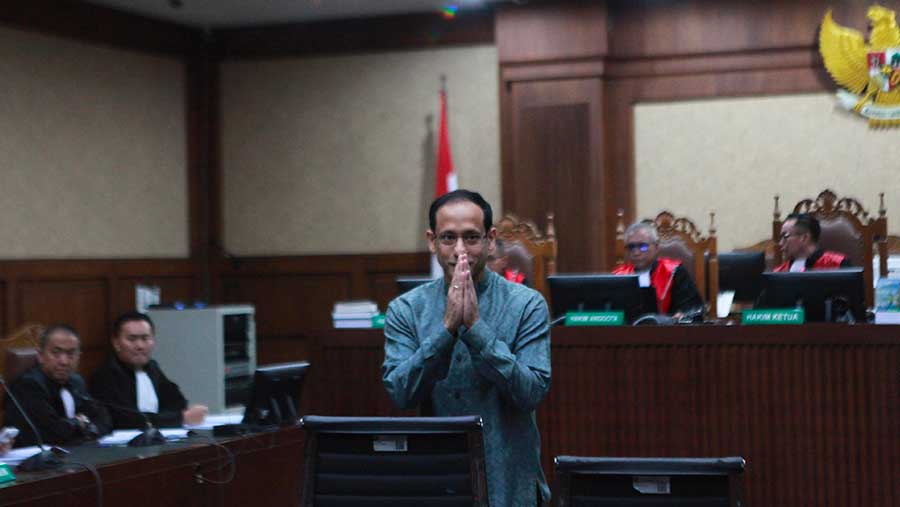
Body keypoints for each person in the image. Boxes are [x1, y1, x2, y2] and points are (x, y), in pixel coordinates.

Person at [382, 189, 551, 507]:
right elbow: (401, 392)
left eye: (472, 238)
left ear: (490, 240)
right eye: (448, 238)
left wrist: (477, 330)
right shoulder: (406, 309)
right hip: (435, 481)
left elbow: (532, 392)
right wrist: (446, 331)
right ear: (431, 241)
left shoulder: (527, 304)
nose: (460, 251)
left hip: (510, 483)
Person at [90, 312, 208, 429]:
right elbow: (126, 419)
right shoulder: (105, 376)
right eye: (132, 339)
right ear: (116, 343)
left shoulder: (152, 367)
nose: (140, 346)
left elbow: (177, 402)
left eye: (145, 338)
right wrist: (179, 419)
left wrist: (177, 416)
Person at [5, 325, 112, 447]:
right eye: (56, 353)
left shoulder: (76, 381)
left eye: (71, 354)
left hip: (75, 454)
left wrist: (84, 426)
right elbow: (54, 433)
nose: (64, 361)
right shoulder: (28, 386)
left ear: (79, 357)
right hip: (37, 461)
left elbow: (105, 419)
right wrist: (79, 423)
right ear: (40, 356)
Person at [612, 221, 704, 316]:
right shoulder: (619, 276)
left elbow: (694, 307)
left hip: (667, 329)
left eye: (643, 246)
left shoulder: (674, 271)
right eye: (631, 247)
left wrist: (682, 315)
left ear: (656, 247)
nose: (636, 252)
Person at [774, 213, 851, 272]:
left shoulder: (838, 264)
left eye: (785, 236)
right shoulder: (779, 272)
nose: (781, 243)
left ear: (804, 238)